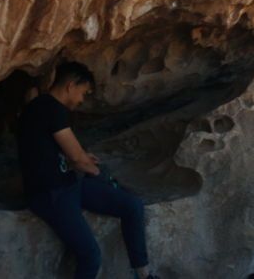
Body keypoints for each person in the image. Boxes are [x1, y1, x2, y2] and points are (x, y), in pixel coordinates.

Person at [17, 61, 160, 279]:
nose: (82, 100)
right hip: (50, 193)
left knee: (132, 206)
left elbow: (49, 149)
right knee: (90, 256)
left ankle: (143, 273)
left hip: (68, 184)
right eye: (83, 93)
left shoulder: (42, 107)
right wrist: (93, 169)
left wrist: (82, 160)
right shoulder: (51, 109)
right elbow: (77, 158)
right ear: (71, 85)